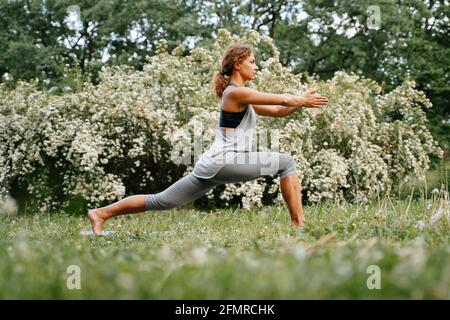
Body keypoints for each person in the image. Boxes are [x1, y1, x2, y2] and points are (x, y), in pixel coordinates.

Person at [88, 43, 329, 235]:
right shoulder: (235, 93)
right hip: (224, 161)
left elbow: (279, 111)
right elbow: (284, 100)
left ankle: (100, 214)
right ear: (237, 63)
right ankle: (299, 226)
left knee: (162, 201)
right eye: (252, 62)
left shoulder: (243, 96)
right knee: (286, 163)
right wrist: (301, 100)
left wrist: (302, 103)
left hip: (213, 165)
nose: (257, 67)